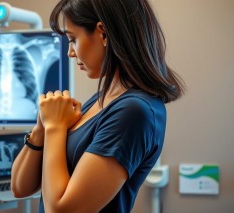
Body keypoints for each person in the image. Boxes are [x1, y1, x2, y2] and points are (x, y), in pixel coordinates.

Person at [11, 0, 185, 212]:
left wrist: (55, 127)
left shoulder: (134, 112)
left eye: (73, 39)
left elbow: (60, 211)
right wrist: (42, 127)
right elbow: (19, 187)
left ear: (103, 33)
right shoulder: (102, 99)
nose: (70, 53)